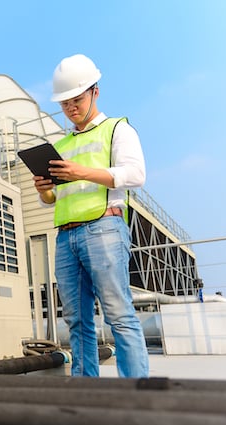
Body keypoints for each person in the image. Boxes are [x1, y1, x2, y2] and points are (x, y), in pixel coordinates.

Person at [33, 54, 149, 378]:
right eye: (65, 102)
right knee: (76, 320)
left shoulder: (117, 130)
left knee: (118, 313)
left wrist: (80, 172)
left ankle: (137, 394)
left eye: (77, 99)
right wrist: (43, 189)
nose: (71, 107)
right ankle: (87, 392)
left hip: (104, 229)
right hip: (66, 236)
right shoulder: (61, 144)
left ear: (95, 92)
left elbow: (136, 174)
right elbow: (52, 198)